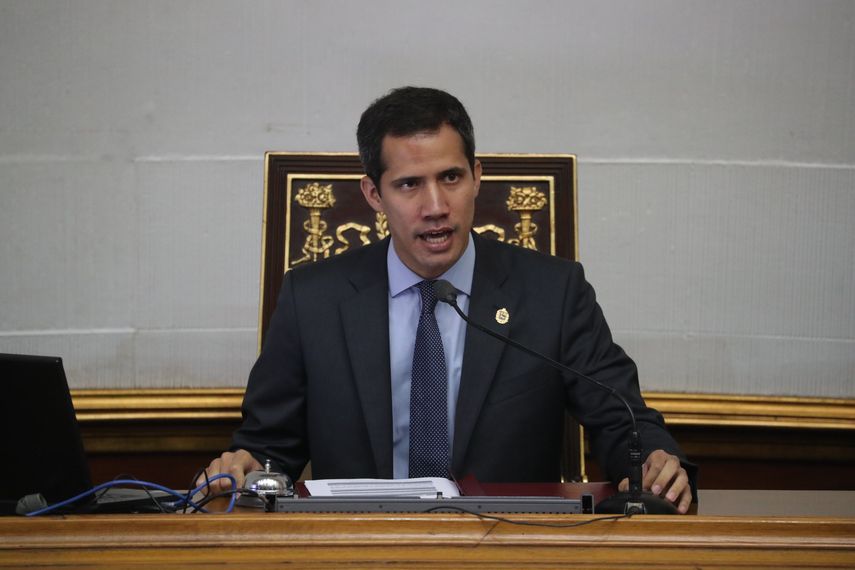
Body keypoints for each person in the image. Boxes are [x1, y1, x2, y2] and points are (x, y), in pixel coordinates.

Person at [202, 87, 695, 513]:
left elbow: (623, 420)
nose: (435, 207)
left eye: (451, 178)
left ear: (477, 176)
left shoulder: (553, 292)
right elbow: (269, 449)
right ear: (374, 195)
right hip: (358, 545)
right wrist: (246, 467)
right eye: (410, 184)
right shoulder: (312, 300)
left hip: (509, 548)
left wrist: (652, 459)